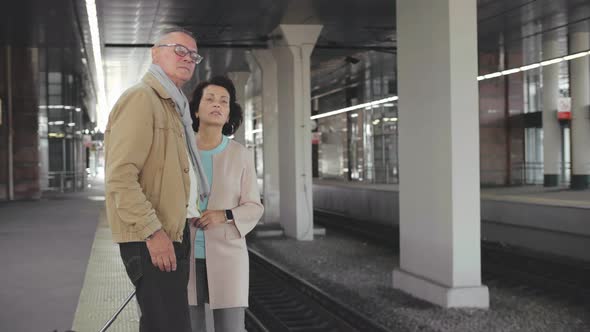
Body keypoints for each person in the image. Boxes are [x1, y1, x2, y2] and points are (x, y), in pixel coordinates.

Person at [104, 27, 210, 332]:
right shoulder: (142, 99)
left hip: (171, 231)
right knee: (168, 324)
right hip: (151, 235)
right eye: (179, 50)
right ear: (155, 52)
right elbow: (120, 177)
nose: (188, 58)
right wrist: (153, 233)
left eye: (193, 54)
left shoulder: (174, 107)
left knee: (164, 323)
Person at [187, 76, 264, 332]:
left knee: (231, 329)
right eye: (209, 99)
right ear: (196, 109)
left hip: (229, 256)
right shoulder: (181, 150)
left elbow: (254, 205)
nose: (217, 104)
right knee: (188, 326)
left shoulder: (240, 154)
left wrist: (225, 214)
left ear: (229, 112)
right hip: (185, 255)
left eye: (224, 101)